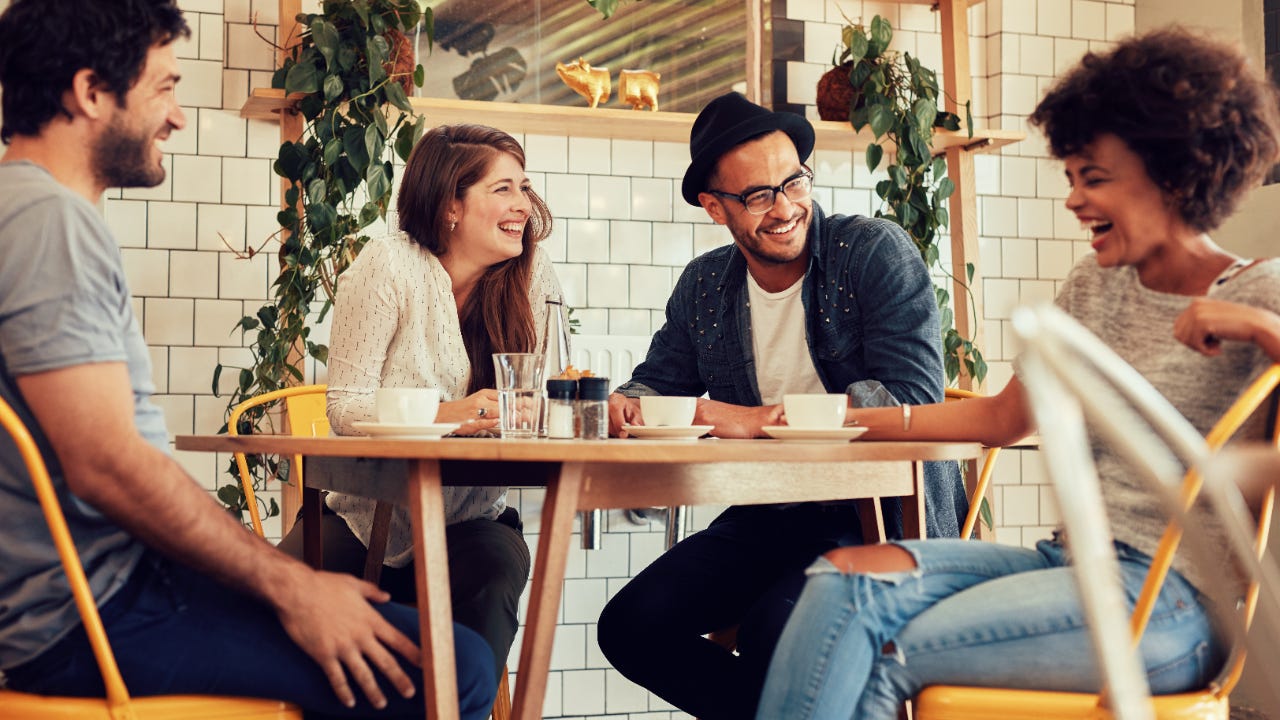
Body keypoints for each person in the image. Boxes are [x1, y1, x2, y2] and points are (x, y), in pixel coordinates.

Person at [754, 28, 1280, 720]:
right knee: (840, 584)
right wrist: (828, 418)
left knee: (884, 644)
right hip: (1068, 564)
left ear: (1174, 174)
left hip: (1172, 603)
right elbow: (1001, 419)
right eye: (1071, 177)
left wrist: (1267, 332)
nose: (1073, 199)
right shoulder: (1094, 287)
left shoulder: (1261, 292)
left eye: (1094, 178)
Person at [0, 2, 496, 717]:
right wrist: (291, 585)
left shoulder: (21, 211)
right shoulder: (51, 224)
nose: (176, 117)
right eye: (165, 86)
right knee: (460, 669)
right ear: (88, 92)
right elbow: (107, 463)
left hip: (74, 603)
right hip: (98, 615)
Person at [595, 91, 969, 719]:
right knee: (631, 626)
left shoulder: (873, 252)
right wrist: (626, 404)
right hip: (768, 514)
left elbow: (912, 399)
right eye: (758, 195)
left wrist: (757, 423)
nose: (785, 208)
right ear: (716, 208)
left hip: (879, 518)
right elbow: (658, 382)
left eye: (793, 182)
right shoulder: (705, 286)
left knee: (779, 634)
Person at [278, 122, 562, 682]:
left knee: (493, 581)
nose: (523, 205)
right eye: (503, 188)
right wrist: (461, 413)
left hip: (473, 517)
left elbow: (542, 398)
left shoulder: (534, 275)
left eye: (524, 188)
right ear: (450, 204)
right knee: (269, 604)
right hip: (366, 514)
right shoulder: (388, 266)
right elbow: (347, 408)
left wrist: (537, 410)